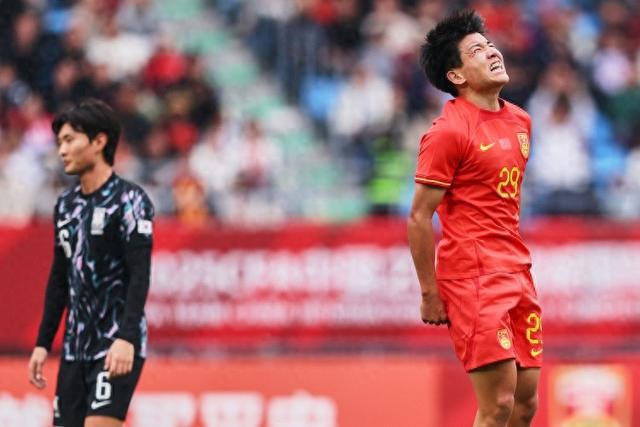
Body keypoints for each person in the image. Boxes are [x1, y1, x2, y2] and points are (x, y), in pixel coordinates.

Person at [407, 10, 542, 427]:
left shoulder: (520, 121)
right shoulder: (447, 133)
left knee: (525, 405)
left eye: (490, 45)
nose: (492, 52)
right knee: (497, 404)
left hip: (516, 271)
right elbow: (419, 217)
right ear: (457, 76)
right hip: (473, 277)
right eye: (477, 51)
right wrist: (429, 292)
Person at [27, 99, 154, 427]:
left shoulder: (130, 200)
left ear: (99, 141)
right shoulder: (65, 206)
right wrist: (43, 343)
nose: (62, 151)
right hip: (75, 349)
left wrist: (126, 337)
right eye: (60, 142)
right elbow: (60, 278)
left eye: (70, 140)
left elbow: (140, 275)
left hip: (115, 344)